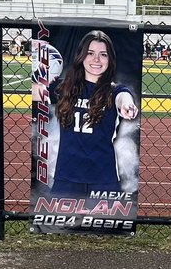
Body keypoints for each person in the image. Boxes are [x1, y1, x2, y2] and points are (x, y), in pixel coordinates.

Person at [38, 31, 138, 197]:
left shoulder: (115, 91)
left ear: (110, 59)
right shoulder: (64, 88)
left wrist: (127, 104)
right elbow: (37, 90)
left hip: (103, 178)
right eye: (90, 53)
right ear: (81, 56)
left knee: (105, 223)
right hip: (67, 177)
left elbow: (123, 98)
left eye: (103, 54)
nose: (96, 60)